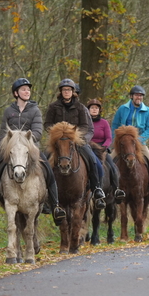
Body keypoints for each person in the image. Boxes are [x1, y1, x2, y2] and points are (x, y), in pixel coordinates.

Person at [0, 78, 67, 224]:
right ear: (16, 93)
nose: (27, 92)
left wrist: (23, 139)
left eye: (28, 89)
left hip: (30, 148)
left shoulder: (35, 110)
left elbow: (37, 132)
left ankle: (55, 206)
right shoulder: (8, 111)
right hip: (11, 149)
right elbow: (2, 135)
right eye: (24, 89)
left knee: (48, 171)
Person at [44, 78, 107, 209]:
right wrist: (57, 132)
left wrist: (76, 137)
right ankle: (45, 195)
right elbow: (47, 124)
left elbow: (87, 127)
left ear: (73, 92)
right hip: (58, 142)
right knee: (43, 160)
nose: (66, 92)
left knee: (93, 160)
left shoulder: (81, 108)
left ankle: (97, 190)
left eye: (69, 90)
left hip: (77, 141)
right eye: (64, 90)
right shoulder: (53, 107)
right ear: (61, 92)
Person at [111, 85, 149, 206]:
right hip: (123, 144)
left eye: (140, 95)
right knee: (109, 162)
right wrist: (117, 140)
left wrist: (139, 139)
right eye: (136, 95)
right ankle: (110, 191)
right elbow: (115, 125)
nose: (138, 97)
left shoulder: (148, 111)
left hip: (140, 143)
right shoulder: (122, 109)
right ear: (131, 96)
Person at [86, 97, 125, 203]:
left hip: (101, 149)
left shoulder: (104, 123)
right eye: (92, 108)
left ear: (99, 110)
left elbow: (109, 137)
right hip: (88, 148)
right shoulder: (85, 122)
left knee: (112, 167)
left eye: (96, 108)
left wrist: (104, 147)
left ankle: (116, 190)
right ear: (88, 110)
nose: (94, 110)